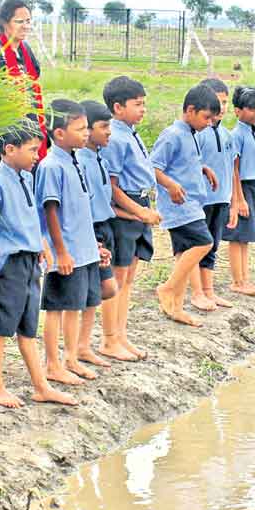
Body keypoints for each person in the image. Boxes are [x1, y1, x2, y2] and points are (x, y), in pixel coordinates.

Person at [0, 123, 77, 409]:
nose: (37, 156)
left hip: (31, 262)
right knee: (1, 326)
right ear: (9, 150)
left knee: (28, 327)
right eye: (32, 150)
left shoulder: (27, 178)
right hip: (8, 265)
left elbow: (32, 217)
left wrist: (42, 244)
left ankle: (41, 386)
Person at [36, 100, 111, 385]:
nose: (85, 134)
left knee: (76, 305)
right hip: (66, 252)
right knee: (57, 307)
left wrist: (94, 246)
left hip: (84, 248)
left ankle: (70, 357)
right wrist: (61, 252)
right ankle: (52, 363)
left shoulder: (75, 160)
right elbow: (50, 210)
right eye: (79, 129)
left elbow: (82, 210)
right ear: (58, 133)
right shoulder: (52, 165)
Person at [99, 76, 162, 360]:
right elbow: (111, 188)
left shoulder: (131, 132)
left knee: (129, 278)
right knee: (116, 278)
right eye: (137, 104)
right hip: (126, 209)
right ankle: (109, 339)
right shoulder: (115, 138)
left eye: (143, 104)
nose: (143, 109)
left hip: (140, 204)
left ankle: (121, 335)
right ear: (117, 107)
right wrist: (139, 212)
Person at [150, 85, 219, 327]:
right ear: (190, 110)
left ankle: (175, 306)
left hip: (191, 203)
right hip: (179, 204)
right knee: (204, 242)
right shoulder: (172, 134)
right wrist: (170, 185)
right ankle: (167, 288)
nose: (210, 123)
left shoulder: (191, 133)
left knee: (183, 254)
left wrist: (203, 168)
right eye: (206, 117)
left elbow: (183, 162)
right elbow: (154, 166)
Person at [0, 0, 48, 184]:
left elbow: (34, 80)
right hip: (3, 132)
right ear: (4, 23)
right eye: (19, 21)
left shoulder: (24, 49)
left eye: (28, 21)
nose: (25, 26)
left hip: (27, 127)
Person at [76, 100, 120, 372]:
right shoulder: (82, 161)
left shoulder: (99, 157)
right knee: (98, 289)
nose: (109, 132)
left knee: (103, 289)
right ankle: (79, 345)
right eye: (104, 127)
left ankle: (83, 344)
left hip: (105, 225)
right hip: (92, 229)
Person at [193, 78, 235, 309]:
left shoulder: (228, 135)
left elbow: (232, 168)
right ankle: (197, 291)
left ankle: (209, 291)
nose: (222, 108)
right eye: (218, 102)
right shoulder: (197, 134)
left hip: (221, 199)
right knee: (198, 245)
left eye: (225, 102)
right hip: (201, 200)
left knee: (213, 246)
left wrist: (234, 200)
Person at [222, 86, 255, 296]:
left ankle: (245, 279)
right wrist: (239, 200)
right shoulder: (237, 135)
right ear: (238, 111)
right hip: (242, 189)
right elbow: (234, 168)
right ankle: (237, 281)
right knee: (237, 236)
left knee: (246, 237)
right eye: (251, 109)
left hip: (253, 187)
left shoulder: (254, 132)